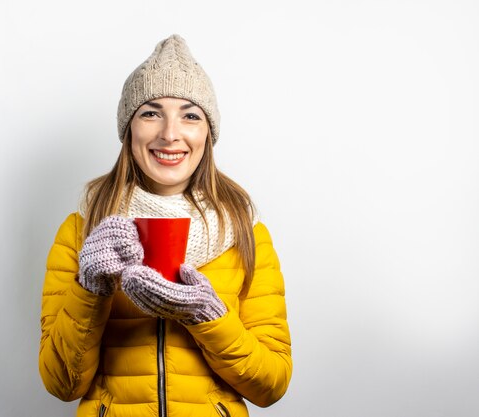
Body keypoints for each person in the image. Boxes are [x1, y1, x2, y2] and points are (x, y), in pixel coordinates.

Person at [39, 34, 292, 417]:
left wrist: (208, 315)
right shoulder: (83, 229)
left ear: (208, 132)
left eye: (190, 115)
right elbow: (61, 384)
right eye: (151, 112)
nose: (170, 134)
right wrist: (91, 289)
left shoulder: (245, 232)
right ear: (129, 130)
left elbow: (271, 385)